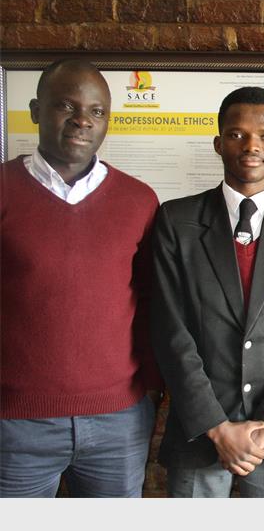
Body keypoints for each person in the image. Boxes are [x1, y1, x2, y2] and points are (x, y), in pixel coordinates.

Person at [150, 87, 264, 498]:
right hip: (199, 434)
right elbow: (170, 332)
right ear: (219, 143)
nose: (251, 146)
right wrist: (217, 427)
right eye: (237, 134)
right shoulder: (177, 221)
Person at [0, 59, 161, 497]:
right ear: (36, 111)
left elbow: (151, 304)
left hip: (118, 422)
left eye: (96, 111)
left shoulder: (138, 200)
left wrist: (151, 390)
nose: (82, 121)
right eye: (66, 106)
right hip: (15, 423)